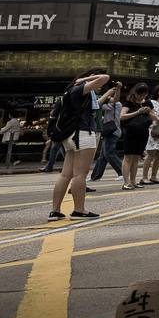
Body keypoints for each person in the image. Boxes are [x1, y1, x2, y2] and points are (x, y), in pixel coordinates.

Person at [48, 68, 109, 220]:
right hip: (82, 134)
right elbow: (105, 77)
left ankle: (55, 211)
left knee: (65, 174)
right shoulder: (80, 88)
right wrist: (86, 79)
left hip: (70, 136)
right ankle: (79, 210)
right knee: (80, 175)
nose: (99, 85)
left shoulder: (71, 91)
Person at [119, 83, 153, 191]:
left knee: (136, 158)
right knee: (128, 157)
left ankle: (133, 181)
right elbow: (122, 116)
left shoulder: (147, 103)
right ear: (135, 92)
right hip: (131, 132)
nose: (142, 97)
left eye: (144, 94)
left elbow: (154, 117)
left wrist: (151, 113)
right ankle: (126, 182)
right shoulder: (129, 102)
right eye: (140, 94)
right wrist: (137, 112)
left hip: (143, 132)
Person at [90, 81, 125, 182]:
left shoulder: (114, 105)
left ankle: (122, 172)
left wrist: (116, 90)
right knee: (103, 156)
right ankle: (95, 176)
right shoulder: (112, 103)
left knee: (109, 153)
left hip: (112, 131)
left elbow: (99, 105)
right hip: (109, 131)